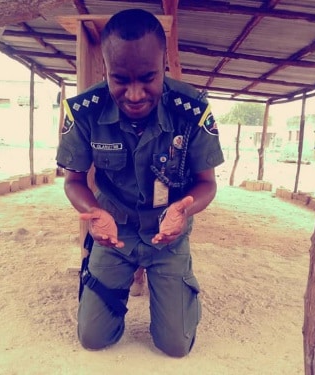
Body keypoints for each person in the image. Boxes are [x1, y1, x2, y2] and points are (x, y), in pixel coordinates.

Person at [57, 9, 224, 357]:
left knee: (175, 346)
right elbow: (73, 180)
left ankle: (173, 290)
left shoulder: (192, 111)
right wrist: (93, 211)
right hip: (114, 231)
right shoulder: (84, 111)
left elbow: (207, 183)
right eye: (120, 79)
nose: (134, 94)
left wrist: (184, 207)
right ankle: (110, 286)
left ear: (164, 66)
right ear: (105, 70)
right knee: (92, 338)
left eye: (147, 78)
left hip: (168, 233)